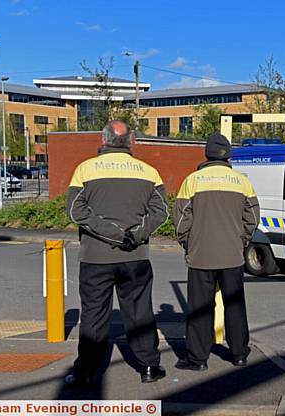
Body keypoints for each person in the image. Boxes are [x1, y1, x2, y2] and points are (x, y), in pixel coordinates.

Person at [64, 120, 168, 387]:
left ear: (103, 139)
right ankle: (148, 366)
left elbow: (76, 211)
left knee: (94, 315)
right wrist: (136, 234)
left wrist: (112, 233)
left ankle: (86, 371)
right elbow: (161, 212)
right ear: (131, 140)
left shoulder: (84, 170)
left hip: (95, 257)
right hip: (135, 256)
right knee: (139, 313)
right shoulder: (149, 171)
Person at [173, 132, 260, 371]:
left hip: (201, 255)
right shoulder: (242, 181)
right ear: (228, 155)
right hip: (232, 255)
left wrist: (189, 243)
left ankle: (198, 359)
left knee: (200, 307)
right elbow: (252, 219)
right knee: (235, 305)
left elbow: (181, 221)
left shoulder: (193, 180)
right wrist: (240, 240)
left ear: (206, 154)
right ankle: (239, 353)